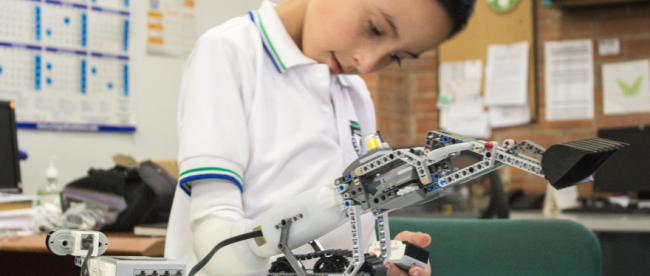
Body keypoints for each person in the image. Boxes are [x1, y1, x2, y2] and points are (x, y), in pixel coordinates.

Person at [164, 0, 476, 275]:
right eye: (374, 28)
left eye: (395, 56)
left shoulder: (355, 93)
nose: (366, 63)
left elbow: (356, 230)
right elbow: (215, 235)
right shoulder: (230, 50)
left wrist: (380, 260)